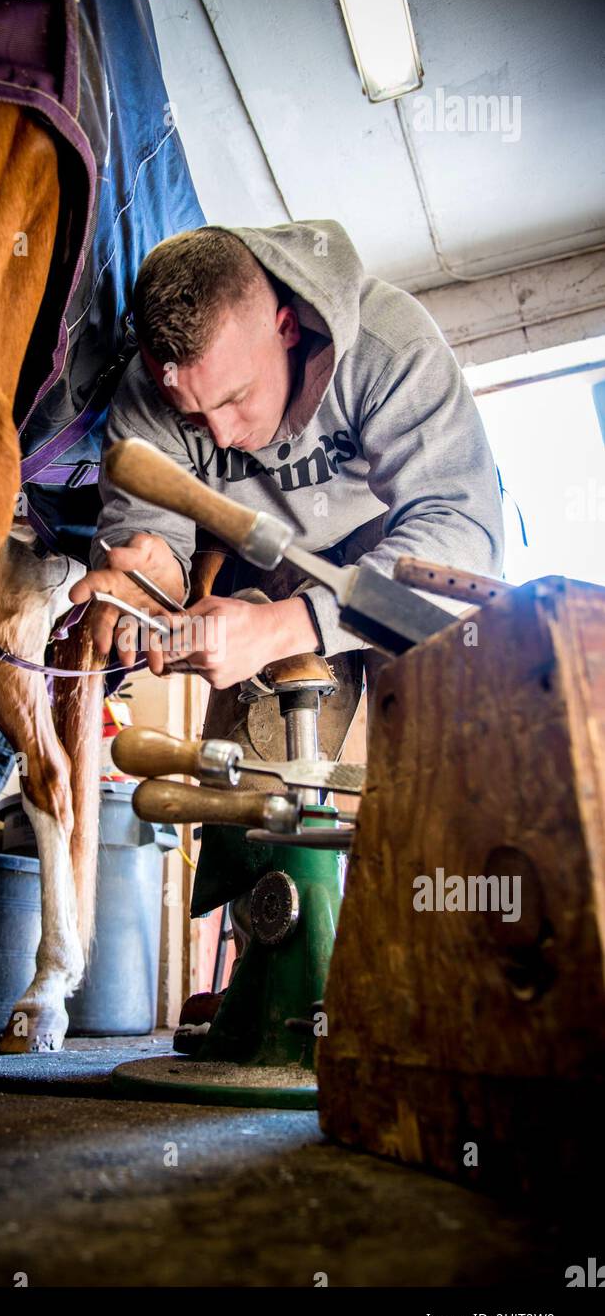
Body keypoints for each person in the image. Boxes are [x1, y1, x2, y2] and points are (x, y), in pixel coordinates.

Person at [70, 220, 505, 1032]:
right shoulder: (145, 389)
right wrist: (136, 587)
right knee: (258, 795)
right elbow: (156, 545)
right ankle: (277, 985)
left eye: (235, 398)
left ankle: (441, 990)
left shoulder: (387, 342)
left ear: (285, 325)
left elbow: (460, 535)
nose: (224, 436)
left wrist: (286, 626)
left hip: (393, 554)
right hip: (253, 559)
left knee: (444, 749)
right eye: (193, 418)